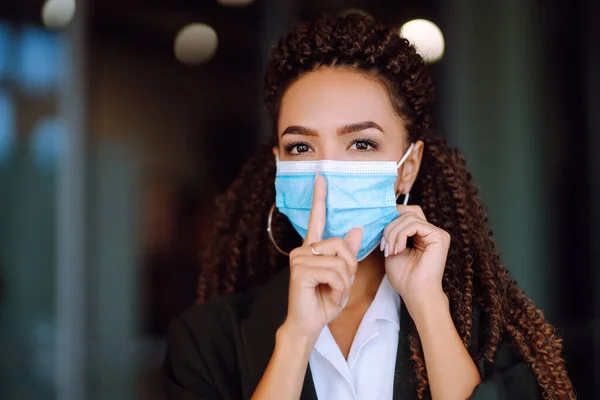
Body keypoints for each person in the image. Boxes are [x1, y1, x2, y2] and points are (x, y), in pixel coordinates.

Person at [161, 14, 574, 400]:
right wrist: (296, 338)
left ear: (407, 168)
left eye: (361, 143)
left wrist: (428, 306)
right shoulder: (204, 339)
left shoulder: (488, 336)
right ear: (279, 166)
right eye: (301, 146)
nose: (326, 172)